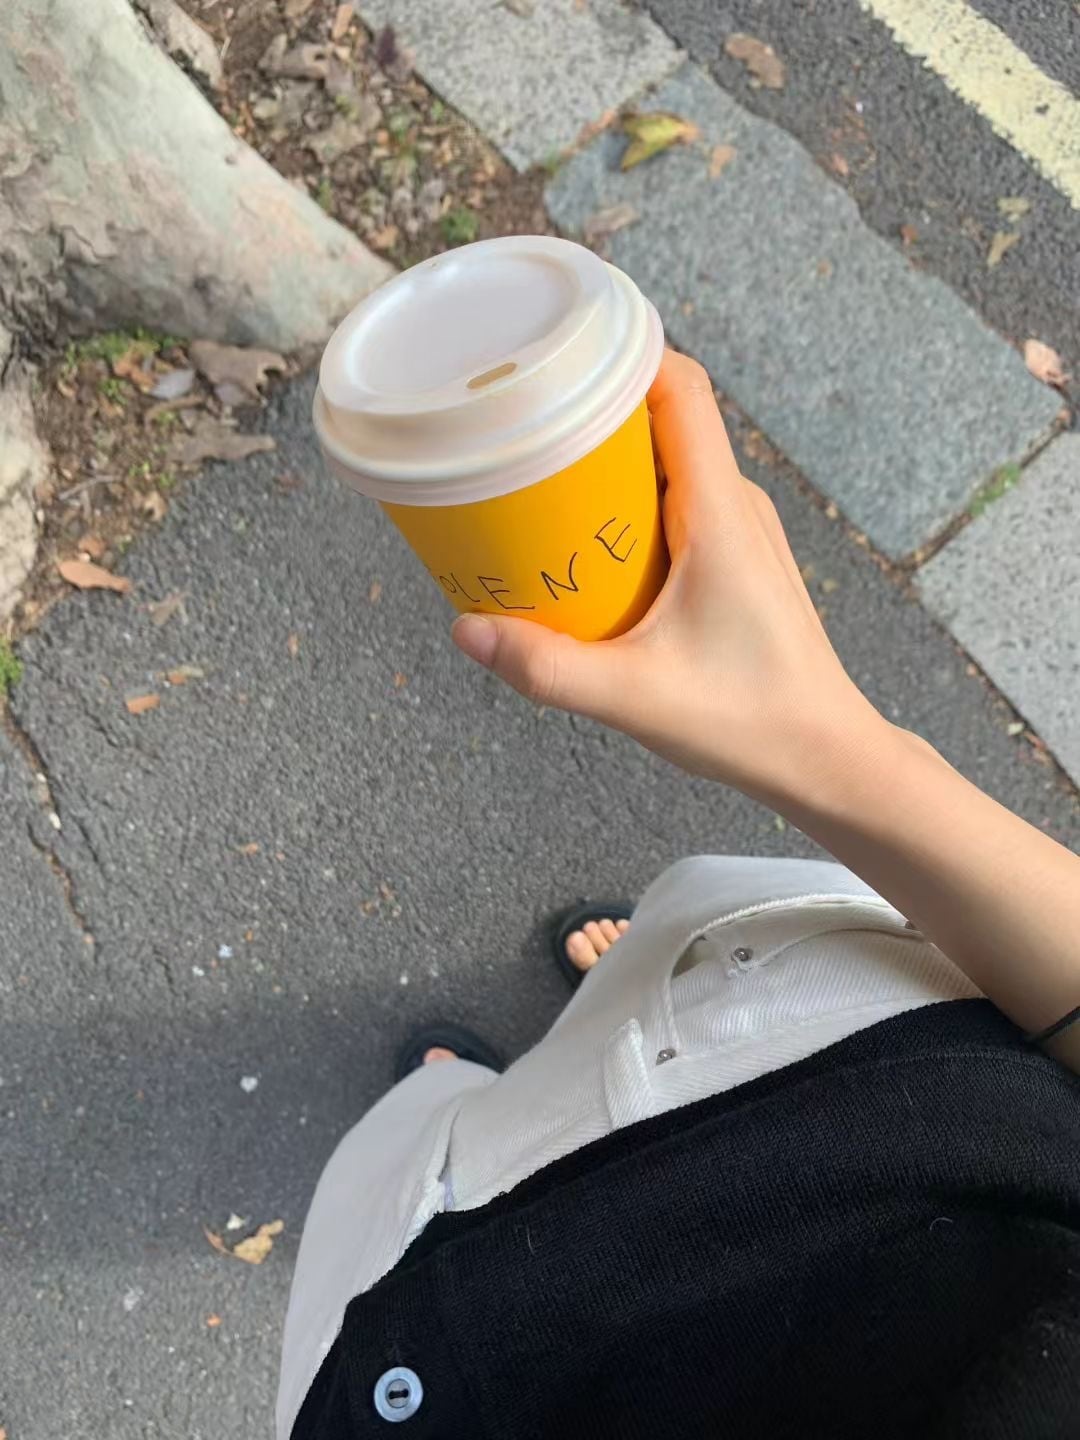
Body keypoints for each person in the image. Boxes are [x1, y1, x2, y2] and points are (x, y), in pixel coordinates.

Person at [278, 351, 1080, 1439]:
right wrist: (836, 749)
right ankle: (558, 1031)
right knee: (659, 967)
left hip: (424, 1363)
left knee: (403, 1168)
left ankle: (452, 1093)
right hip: (881, 1036)